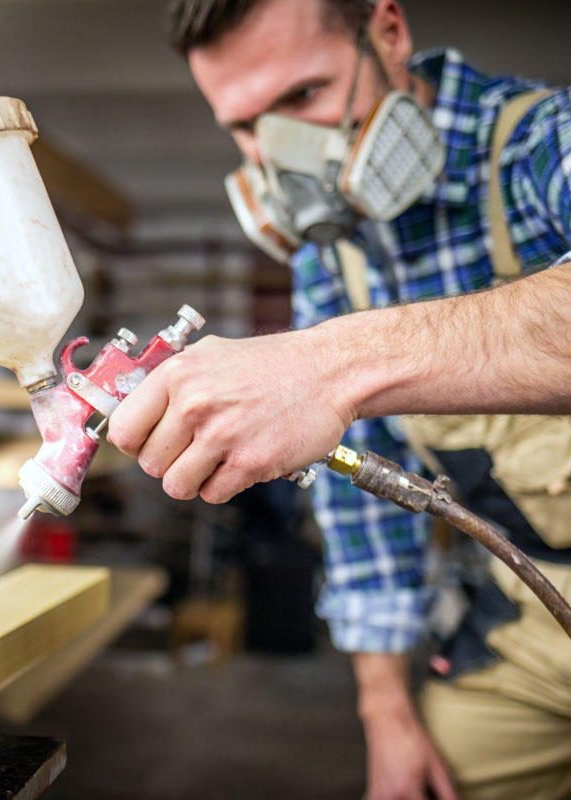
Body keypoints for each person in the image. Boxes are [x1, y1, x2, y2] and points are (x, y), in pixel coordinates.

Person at [107, 1, 571, 798]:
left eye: (301, 98)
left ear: (388, 33)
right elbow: (365, 495)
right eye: (245, 124)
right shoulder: (334, 260)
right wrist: (384, 710)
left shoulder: (541, 145)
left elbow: (330, 382)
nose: (280, 152)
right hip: (528, 607)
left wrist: (330, 365)